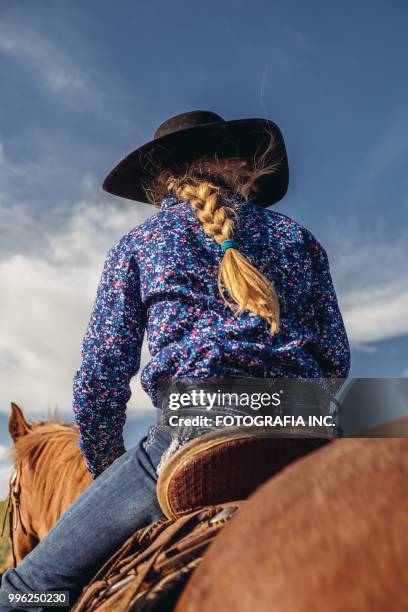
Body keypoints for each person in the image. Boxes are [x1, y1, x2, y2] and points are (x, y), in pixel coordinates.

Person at [0, 110, 350, 610]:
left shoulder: (139, 244)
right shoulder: (299, 239)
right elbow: (336, 357)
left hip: (195, 427)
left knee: (26, 592)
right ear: (242, 166)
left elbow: (99, 383)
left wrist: (106, 470)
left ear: (162, 176)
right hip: (315, 425)